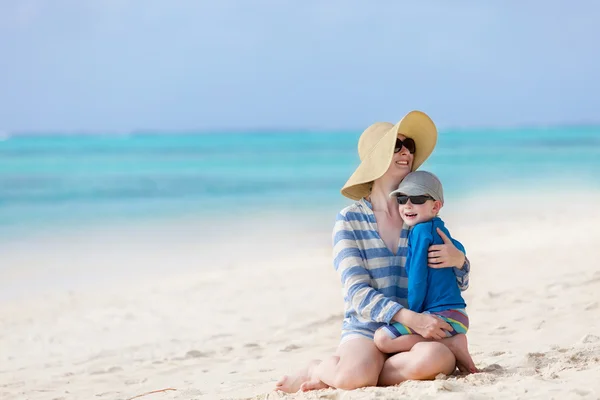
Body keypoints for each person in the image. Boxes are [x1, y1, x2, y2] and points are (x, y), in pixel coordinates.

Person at [276, 111, 473, 393]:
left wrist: (460, 262)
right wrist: (408, 317)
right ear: (375, 159)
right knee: (354, 379)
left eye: (409, 147)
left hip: (412, 333)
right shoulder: (349, 220)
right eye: (396, 146)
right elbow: (356, 292)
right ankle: (316, 368)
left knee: (438, 359)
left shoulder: (419, 216)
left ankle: (365, 370)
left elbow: (454, 285)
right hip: (368, 328)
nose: (406, 152)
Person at [372, 171, 476, 373]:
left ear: (436, 206)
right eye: (402, 199)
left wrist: (416, 315)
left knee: (383, 339)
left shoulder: (420, 232)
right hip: (457, 315)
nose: (408, 205)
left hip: (443, 317)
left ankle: (452, 344)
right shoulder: (440, 230)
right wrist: (461, 259)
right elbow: (459, 250)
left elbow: (418, 279)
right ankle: (452, 344)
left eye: (417, 199)